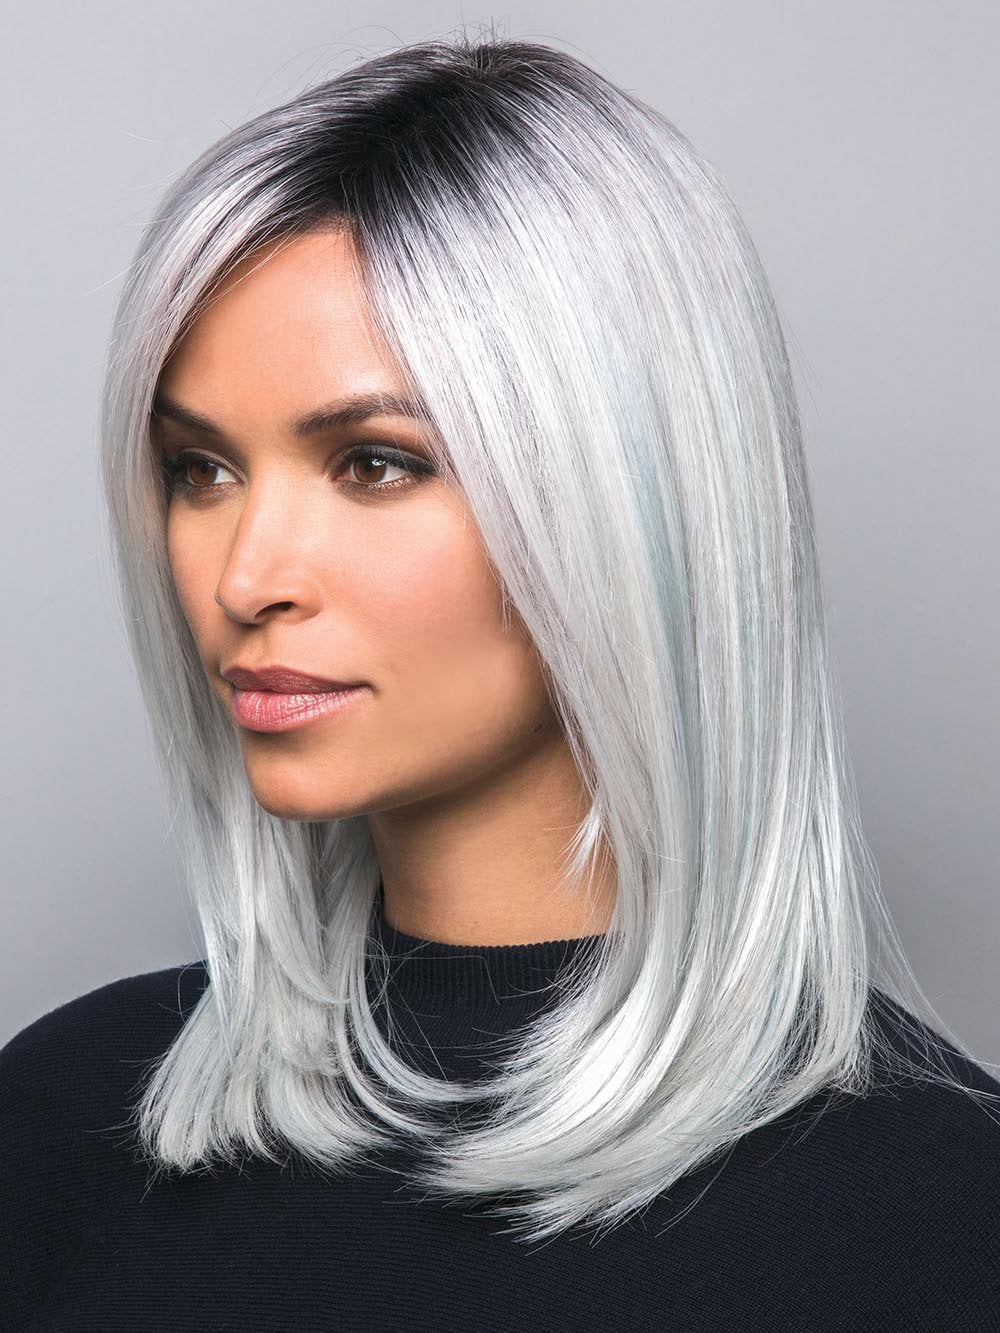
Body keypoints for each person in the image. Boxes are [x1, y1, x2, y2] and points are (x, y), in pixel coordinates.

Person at [3, 31, 999, 1331]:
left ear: (626, 497)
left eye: (375, 464)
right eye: (202, 470)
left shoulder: (936, 1215)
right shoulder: (63, 1125)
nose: (245, 577)